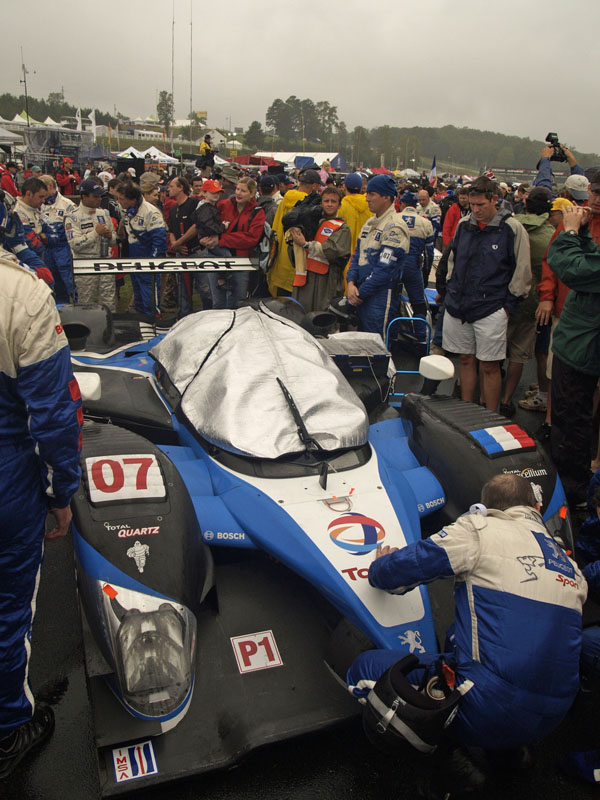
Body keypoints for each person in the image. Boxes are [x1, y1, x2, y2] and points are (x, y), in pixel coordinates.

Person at [347, 473, 586, 790]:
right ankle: (511, 754)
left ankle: (445, 757)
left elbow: (395, 575)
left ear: (487, 506)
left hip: (490, 710)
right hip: (554, 716)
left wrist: (381, 563)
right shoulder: (569, 566)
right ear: (534, 506)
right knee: (459, 636)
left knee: (363, 670)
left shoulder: (478, 529)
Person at [0, 253, 82, 779]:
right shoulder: (19, 290)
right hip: (8, 476)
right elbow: (52, 415)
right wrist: (60, 493)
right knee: (8, 606)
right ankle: (10, 727)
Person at [442, 176, 531, 412]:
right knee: (466, 360)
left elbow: (522, 270)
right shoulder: (464, 225)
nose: (476, 210)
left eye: (481, 205)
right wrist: (451, 290)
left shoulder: (512, 228)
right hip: (459, 305)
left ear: (494, 200)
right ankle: (466, 412)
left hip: (492, 307)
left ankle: (491, 417)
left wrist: (508, 307)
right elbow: (452, 261)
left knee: (490, 366)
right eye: (472, 205)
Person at [547, 204, 600, 507]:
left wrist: (569, 231)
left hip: (583, 345)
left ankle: (572, 491)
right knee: (574, 418)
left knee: (571, 419)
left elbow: (572, 268)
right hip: (584, 342)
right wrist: (584, 235)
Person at [499, 187, 554, 417]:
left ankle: (483, 396)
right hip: (533, 303)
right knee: (520, 355)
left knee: (490, 352)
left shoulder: (507, 226)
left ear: (525, 205)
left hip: (501, 300)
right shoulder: (551, 234)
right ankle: (506, 399)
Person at [346, 174, 410, 338]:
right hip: (361, 293)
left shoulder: (395, 226)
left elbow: (385, 269)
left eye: (372, 194)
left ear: (386, 197)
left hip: (381, 296)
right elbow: (356, 257)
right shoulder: (369, 224)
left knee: (376, 347)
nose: (366, 198)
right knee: (359, 344)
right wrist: (351, 283)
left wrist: (360, 293)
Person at [288, 186, 351, 312]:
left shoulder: (342, 227)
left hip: (327, 281)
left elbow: (335, 251)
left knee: (322, 315)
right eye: (326, 201)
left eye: (333, 201)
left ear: (339, 205)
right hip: (306, 277)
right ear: (321, 203)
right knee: (302, 313)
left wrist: (306, 244)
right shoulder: (312, 222)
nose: (329, 204)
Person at [206, 177, 265, 308]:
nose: (238, 193)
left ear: (252, 193)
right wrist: (204, 238)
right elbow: (207, 223)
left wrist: (222, 240)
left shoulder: (258, 211)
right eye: (237, 189)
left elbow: (251, 238)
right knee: (217, 303)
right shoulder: (224, 205)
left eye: (243, 191)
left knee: (238, 303)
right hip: (216, 258)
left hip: (241, 262)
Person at [114, 181, 167, 317]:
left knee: (150, 295)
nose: (118, 201)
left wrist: (152, 262)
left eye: (121, 199)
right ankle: (142, 320)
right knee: (137, 292)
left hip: (148, 257)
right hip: (134, 256)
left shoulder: (151, 212)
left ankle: (154, 322)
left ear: (132, 200)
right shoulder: (128, 210)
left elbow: (159, 241)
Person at [65, 179, 118, 309]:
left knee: (108, 301)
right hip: (85, 265)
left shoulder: (103, 213)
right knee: (85, 303)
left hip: (105, 262)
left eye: (100, 195)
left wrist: (110, 235)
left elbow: (114, 241)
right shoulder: (72, 217)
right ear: (84, 196)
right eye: (95, 196)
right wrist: (95, 233)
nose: (99, 199)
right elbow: (75, 244)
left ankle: (109, 326)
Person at [39, 175, 76, 303]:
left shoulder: (68, 205)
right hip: (47, 249)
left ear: (49, 186)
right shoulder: (40, 204)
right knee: (53, 281)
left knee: (70, 281)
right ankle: (61, 308)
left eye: (41, 187)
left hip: (64, 248)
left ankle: (79, 306)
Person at [338, 172, 372, 277]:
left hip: (345, 257)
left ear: (344, 187)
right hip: (365, 256)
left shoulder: (341, 206)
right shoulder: (369, 205)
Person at [14, 177, 48, 264]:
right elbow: (34, 245)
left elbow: (54, 236)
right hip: (27, 262)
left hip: (41, 258)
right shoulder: (17, 213)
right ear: (28, 194)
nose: (43, 201)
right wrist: (43, 237)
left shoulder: (36, 208)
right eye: (40, 197)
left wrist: (41, 237)